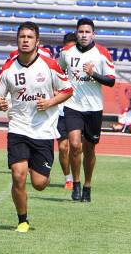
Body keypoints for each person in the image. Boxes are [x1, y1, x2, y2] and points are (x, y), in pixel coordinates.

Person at [0, 21, 73, 233]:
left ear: (37, 41)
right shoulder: (8, 68)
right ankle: (22, 221)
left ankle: (33, 165)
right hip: (18, 128)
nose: (25, 40)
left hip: (43, 130)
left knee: (39, 183)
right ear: (17, 40)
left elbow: (67, 90)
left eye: (29, 37)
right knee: (18, 175)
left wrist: (50, 102)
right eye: (22, 37)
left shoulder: (49, 65)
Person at [58, 18, 116, 202]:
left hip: (94, 108)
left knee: (90, 148)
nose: (84, 35)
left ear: (93, 34)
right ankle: (75, 183)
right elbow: (58, 72)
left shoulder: (102, 53)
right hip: (72, 105)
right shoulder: (66, 52)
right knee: (74, 145)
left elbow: (111, 81)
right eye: (81, 32)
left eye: (87, 32)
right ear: (76, 33)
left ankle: (87, 185)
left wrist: (93, 74)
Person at [57, 32, 77, 190]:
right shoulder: (57, 63)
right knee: (63, 147)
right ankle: (68, 178)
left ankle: (77, 178)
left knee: (77, 146)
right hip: (60, 110)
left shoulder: (81, 63)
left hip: (78, 109)